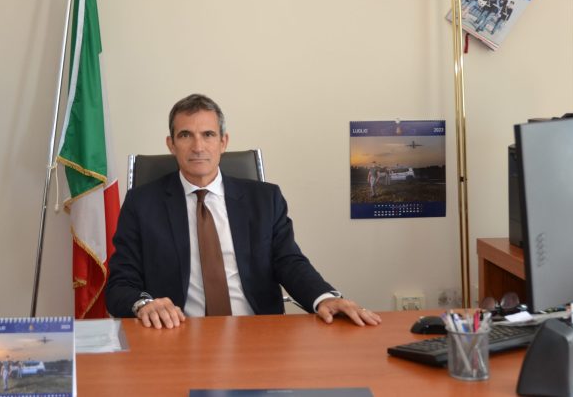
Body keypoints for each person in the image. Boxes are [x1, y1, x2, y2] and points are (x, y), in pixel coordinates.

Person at [105, 93, 381, 330]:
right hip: (178, 334)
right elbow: (120, 284)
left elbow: (289, 262)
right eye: (185, 135)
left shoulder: (264, 199)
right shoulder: (142, 204)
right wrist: (144, 304)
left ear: (223, 142)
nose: (198, 147)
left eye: (208, 135)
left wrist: (324, 297)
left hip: (256, 333)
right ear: (171, 144)